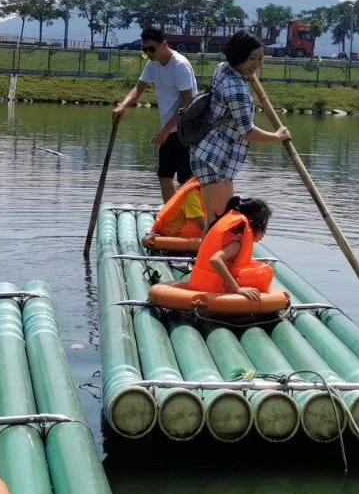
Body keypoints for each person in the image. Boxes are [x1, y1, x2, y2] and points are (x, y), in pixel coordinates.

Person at [189, 30, 290, 227]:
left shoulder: (223, 69)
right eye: (253, 58)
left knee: (216, 222)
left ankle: (209, 255)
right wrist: (277, 136)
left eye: (261, 59)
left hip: (212, 156)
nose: (258, 64)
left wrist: (248, 73)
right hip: (214, 159)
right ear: (238, 55)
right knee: (218, 223)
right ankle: (212, 257)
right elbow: (248, 132)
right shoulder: (237, 89)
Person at [113, 26, 199, 203]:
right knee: (165, 175)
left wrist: (167, 129)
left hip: (187, 129)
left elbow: (187, 102)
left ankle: (194, 223)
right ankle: (173, 217)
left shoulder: (180, 65)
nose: (148, 53)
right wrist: (123, 106)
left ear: (164, 44)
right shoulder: (153, 64)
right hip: (170, 128)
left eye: (151, 48)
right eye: (145, 49)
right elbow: (138, 89)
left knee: (186, 179)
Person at [179, 196, 275, 302]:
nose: (265, 233)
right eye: (264, 227)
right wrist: (238, 289)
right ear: (252, 223)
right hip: (214, 289)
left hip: (207, 284)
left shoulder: (237, 237)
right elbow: (215, 260)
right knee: (263, 273)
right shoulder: (237, 242)